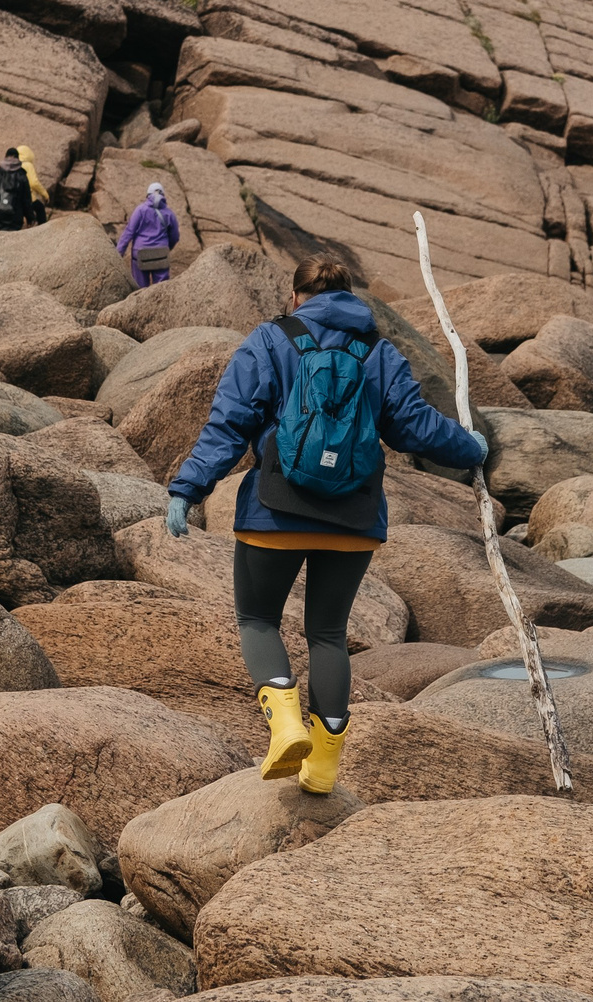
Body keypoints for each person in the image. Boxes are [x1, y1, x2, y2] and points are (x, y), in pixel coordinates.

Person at [164, 255, 488, 792]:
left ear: (296, 297)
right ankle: (322, 768)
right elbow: (415, 426)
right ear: (350, 297)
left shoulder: (269, 342)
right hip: (352, 520)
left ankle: (286, 726)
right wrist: (469, 447)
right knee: (328, 634)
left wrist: (187, 488)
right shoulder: (378, 351)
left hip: (276, 511)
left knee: (259, 621)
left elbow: (228, 423)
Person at [116, 181, 179, 287]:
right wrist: (166, 248)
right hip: (161, 254)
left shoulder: (140, 210)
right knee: (161, 288)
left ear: (148, 195)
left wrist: (118, 253)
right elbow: (175, 236)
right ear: (163, 195)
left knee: (139, 288)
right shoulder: (169, 213)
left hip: (141, 254)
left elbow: (129, 232)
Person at [0, 146, 45, 231]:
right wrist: (30, 218)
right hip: (15, 221)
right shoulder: (22, 176)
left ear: (5, 157)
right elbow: (26, 200)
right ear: (18, 159)